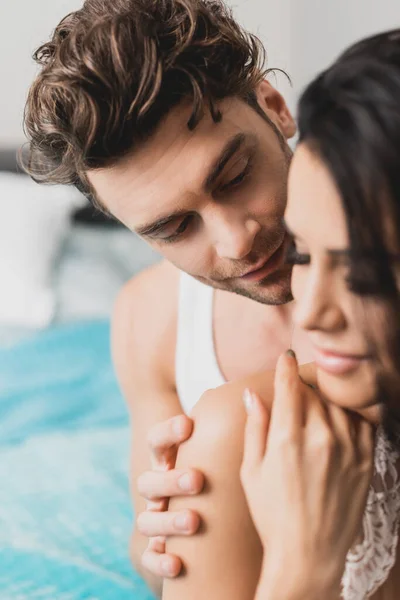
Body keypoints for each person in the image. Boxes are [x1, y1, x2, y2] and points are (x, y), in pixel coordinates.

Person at [21, 1, 316, 595]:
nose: (236, 242)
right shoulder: (149, 321)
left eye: (234, 176)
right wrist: (160, 535)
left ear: (275, 108)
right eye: (175, 229)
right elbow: (152, 554)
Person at [162, 28, 400, 599]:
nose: (310, 313)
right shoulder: (239, 434)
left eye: (361, 269)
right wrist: (299, 571)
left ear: (274, 109)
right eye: (305, 254)